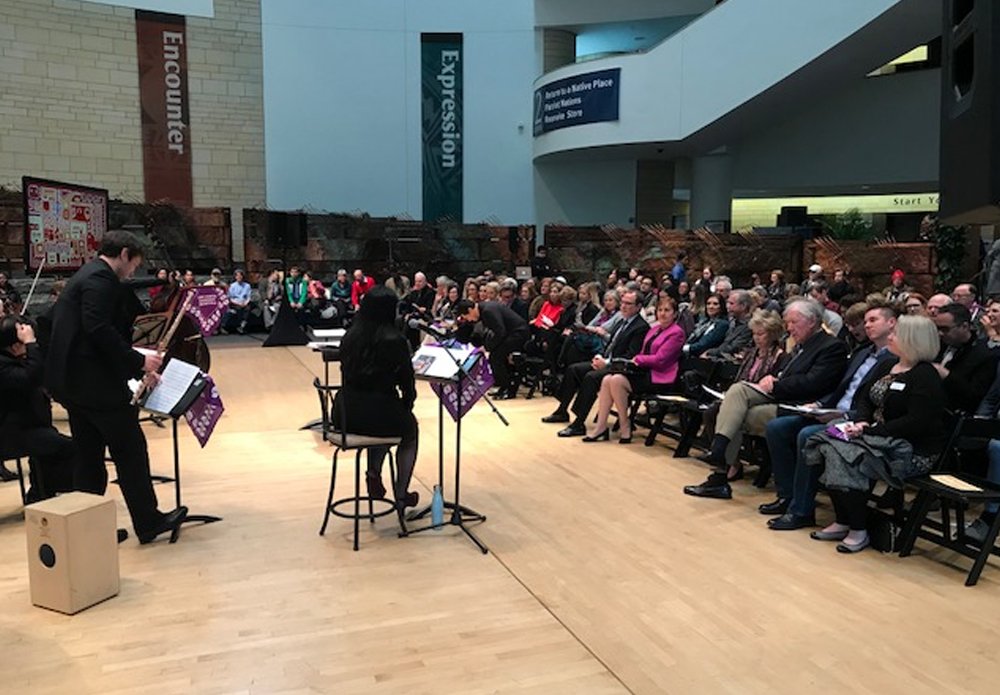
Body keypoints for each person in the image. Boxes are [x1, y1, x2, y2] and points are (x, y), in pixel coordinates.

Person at [44, 230, 187, 543]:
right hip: (95, 386)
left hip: (74, 384)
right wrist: (139, 362)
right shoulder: (100, 280)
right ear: (124, 254)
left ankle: (89, 532)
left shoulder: (87, 275)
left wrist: (136, 362)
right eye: (134, 263)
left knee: (89, 457)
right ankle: (148, 522)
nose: (134, 270)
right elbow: (98, 329)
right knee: (130, 449)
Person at [803, 315, 946, 553]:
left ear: (912, 340)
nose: (891, 337)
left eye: (896, 334)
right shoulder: (887, 365)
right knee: (827, 443)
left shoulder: (925, 375)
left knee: (847, 456)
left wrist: (869, 429)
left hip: (909, 448)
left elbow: (915, 422)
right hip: (874, 436)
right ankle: (844, 520)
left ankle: (858, 528)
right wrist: (861, 421)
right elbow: (865, 399)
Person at [684, 299, 848, 500]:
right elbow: (788, 374)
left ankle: (719, 468)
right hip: (781, 395)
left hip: (802, 405)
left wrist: (776, 383)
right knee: (737, 392)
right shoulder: (801, 345)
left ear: (812, 321)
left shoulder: (831, 347)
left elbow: (814, 383)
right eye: (787, 323)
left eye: (794, 322)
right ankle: (719, 461)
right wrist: (775, 378)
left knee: (731, 413)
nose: (789, 328)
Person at [763, 303, 898, 530]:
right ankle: (786, 496)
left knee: (808, 435)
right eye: (865, 321)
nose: (866, 325)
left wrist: (844, 414)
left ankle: (801, 510)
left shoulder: (895, 360)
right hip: (832, 411)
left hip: (856, 421)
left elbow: (879, 404)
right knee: (778, 427)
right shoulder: (863, 353)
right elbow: (839, 387)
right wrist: (820, 405)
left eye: (873, 320)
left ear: (891, 323)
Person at [333, 286, 420, 508]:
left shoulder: (350, 336)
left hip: (345, 412)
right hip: (380, 408)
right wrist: (407, 404)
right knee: (408, 432)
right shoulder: (395, 340)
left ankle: (373, 473)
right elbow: (407, 382)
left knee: (381, 424)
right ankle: (401, 494)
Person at [543, 289, 649, 436]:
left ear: (638, 307)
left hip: (621, 369)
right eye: (623, 303)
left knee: (591, 377)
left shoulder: (641, 327)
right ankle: (562, 410)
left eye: (628, 303)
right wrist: (600, 357)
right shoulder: (622, 321)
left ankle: (579, 423)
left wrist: (607, 362)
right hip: (609, 361)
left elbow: (630, 356)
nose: (623, 306)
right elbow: (610, 345)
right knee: (574, 369)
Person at [585, 296, 685, 444]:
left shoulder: (677, 332)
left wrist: (638, 359)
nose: (663, 314)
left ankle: (625, 425)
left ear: (675, 314)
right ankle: (601, 426)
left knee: (617, 379)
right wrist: (636, 360)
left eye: (667, 310)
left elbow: (661, 360)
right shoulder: (654, 329)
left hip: (660, 377)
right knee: (607, 379)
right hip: (644, 371)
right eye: (660, 310)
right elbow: (643, 352)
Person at [0, 316, 74, 502]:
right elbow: (31, 377)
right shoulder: (3, 365)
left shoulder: (13, 359)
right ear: (14, 346)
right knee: (70, 448)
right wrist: (31, 344)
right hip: (10, 433)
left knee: (49, 445)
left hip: (29, 427)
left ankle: (40, 492)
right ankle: (46, 493)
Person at [454, 298, 530, 400]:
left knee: (495, 356)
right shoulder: (484, 309)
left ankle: (508, 388)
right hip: (511, 333)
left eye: (467, 317)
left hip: (519, 333)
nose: (469, 320)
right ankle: (504, 386)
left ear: (470, 310)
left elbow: (500, 332)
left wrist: (487, 347)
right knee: (496, 355)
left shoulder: (487, 311)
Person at [931, 303, 998, 412]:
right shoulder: (937, 345)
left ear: (964, 326)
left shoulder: (985, 354)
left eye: (945, 329)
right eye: (937, 328)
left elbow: (974, 396)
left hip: (956, 412)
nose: (940, 333)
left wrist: (946, 375)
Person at [682, 293, 728, 357]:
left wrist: (684, 348)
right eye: (708, 303)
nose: (711, 307)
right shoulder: (704, 321)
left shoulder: (722, 324)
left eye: (715, 304)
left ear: (721, 307)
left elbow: (704, 344)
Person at [221, 269, 252, 334]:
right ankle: (237, 325)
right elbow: (230, 298)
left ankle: (242, 326)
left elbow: (249, 296)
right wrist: (238, 304)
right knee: (239, 309)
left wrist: (245, 303)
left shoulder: (247, 285)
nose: (239, 277)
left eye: (240, 276)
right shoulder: (232, 286)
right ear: (235, 277)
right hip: (235, 303)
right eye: (237, 276)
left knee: (248, 308)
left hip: (244, 302)